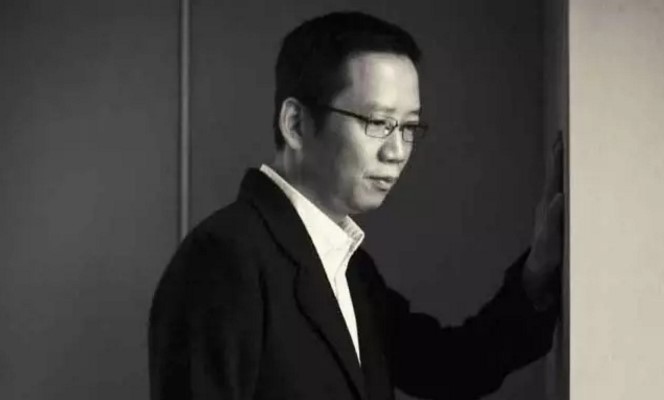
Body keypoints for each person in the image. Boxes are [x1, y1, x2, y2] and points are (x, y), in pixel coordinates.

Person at [149, 11, 564, 400]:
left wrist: (537, 273)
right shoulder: (223, 258)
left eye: (409, 126)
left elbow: (448, 365)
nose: (397, 151)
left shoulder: (348, 266)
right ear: (295, 124)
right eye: (378, 123)